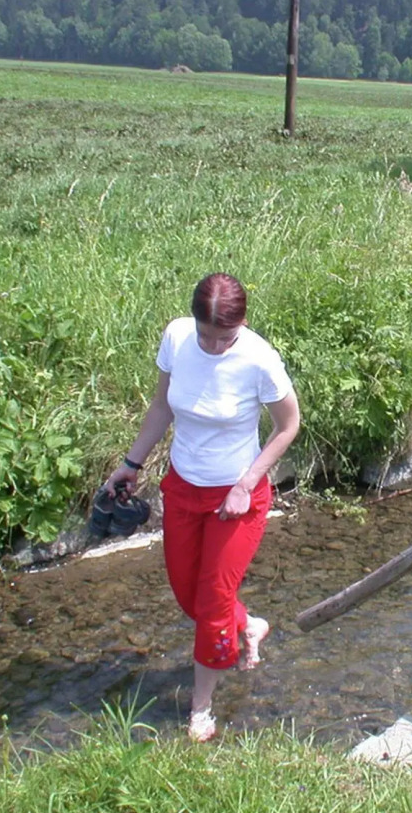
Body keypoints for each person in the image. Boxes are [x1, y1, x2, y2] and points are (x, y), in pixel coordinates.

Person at [105, 273, 301, 742]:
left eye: (224, 338)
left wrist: (246, 483)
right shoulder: (176, 337)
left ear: (243, 324)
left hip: (238, 497)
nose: (213, 347)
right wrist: (131, 464)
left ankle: (201, 709)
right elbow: (161, 408)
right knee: (187, 594)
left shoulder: (259, 360)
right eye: (206, 336)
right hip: (183, 487)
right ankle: (250, 625)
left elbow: (288, 426)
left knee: (212, 601)